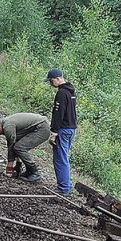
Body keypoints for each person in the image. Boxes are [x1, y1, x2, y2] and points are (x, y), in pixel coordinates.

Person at [0, 113, 50, 183]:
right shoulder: (6, 123)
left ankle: (35, 173)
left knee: (20, 148)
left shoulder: (8, 127)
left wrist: (9, 167)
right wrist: (18, 163)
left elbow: (11, 146)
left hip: (42, 128)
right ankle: (29, 171)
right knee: (18, 146)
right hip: (39, 126)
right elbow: (16, 141)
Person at [46, 67, 77, 195]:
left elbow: (59, 113)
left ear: (58, 79)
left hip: (63, 129)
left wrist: (54, 131)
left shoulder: (62, 93)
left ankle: (64, 187)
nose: (50, 84)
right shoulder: (72, 91)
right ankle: (66, 184)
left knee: (60, 158)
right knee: (64, 157)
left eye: (51, 81)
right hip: (72, 128)